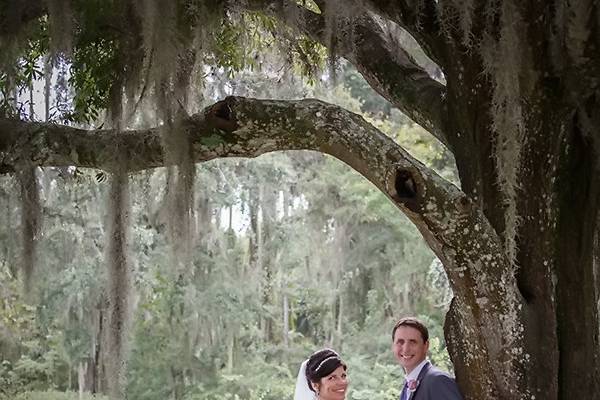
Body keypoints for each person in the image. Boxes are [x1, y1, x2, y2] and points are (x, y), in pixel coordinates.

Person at [392, 317, 463, 400]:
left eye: (412, 342)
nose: (406, 349)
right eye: (400, 342)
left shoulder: (438, 381)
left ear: (426, 346)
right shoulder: (407, 384)